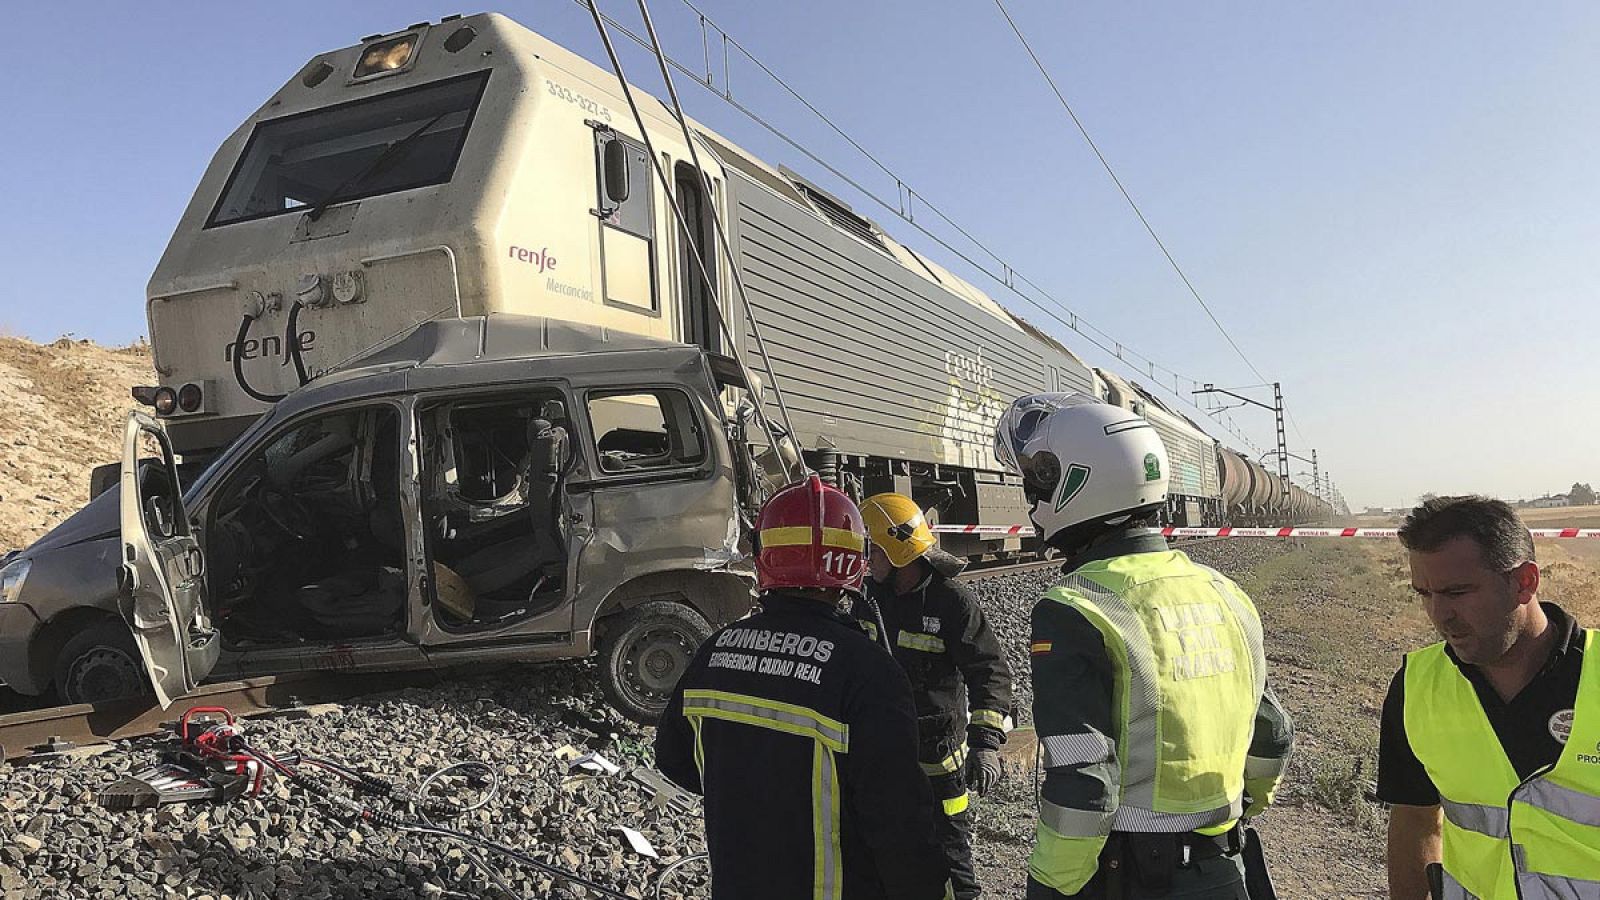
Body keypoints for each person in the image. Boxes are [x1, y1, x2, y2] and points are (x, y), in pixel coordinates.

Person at [993, 393, 1294, 899]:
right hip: (1226, 867)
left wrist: (1051, 884)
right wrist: (1238, 808)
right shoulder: (1224, 593)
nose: (1032, 494)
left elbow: (1084, 782)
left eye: (1039, 477)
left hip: (1133, 875)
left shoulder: (1075, 607)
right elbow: (1273, 734)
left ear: (1079, 480)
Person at [654, 475, 954, 900]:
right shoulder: (869, 671)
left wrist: (754, 792)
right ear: (855, 562)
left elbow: (672, 757)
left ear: (764, 558)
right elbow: (899, 823)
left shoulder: (714, 653)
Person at [1378, 495, 1599, 900]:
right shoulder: (1417, 687)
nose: (1439, 615)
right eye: (1425, 594)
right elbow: (1415, 821)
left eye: (1457, 592)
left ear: (1525, 582)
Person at [851, 492, 1014, 900]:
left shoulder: (951, 602)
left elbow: (989, 673)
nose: (868, 561)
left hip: (938, 758)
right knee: (884, 846)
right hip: (883, 752)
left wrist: (986, 744)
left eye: (873, 552)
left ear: (897, 552)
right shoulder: (868, 599)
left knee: (949, 851)